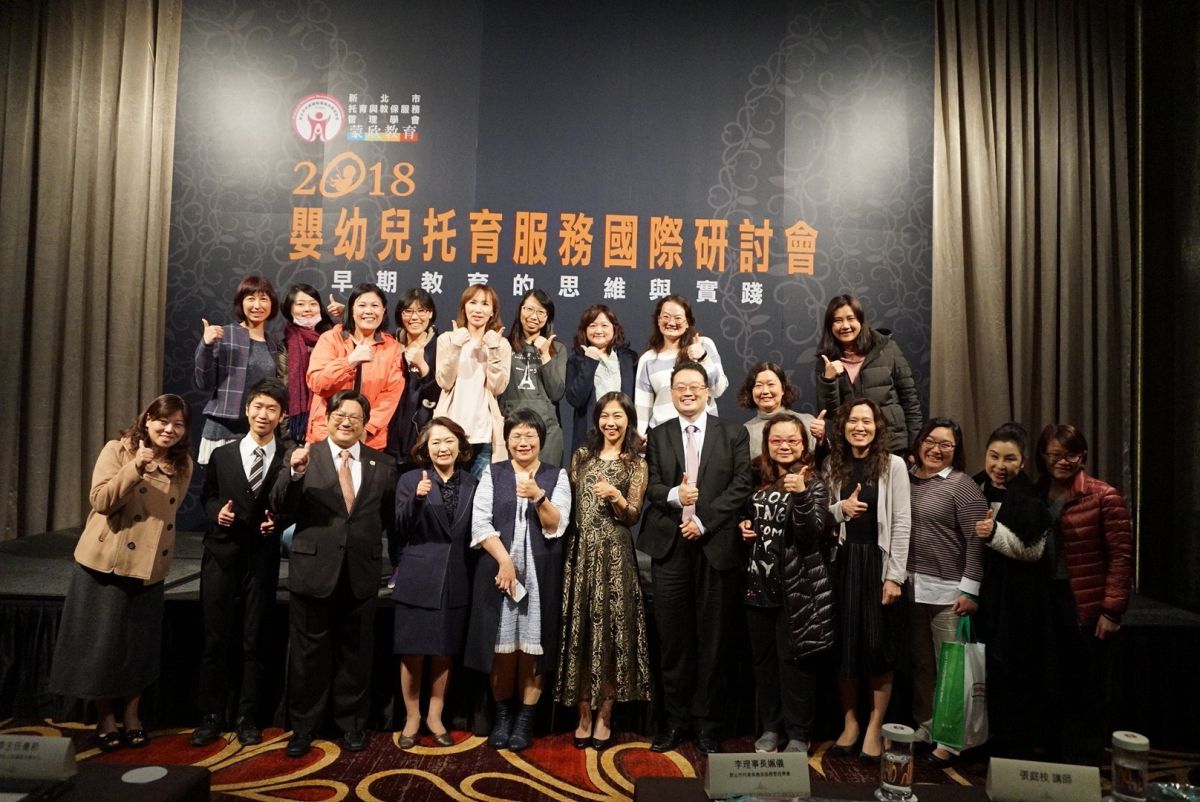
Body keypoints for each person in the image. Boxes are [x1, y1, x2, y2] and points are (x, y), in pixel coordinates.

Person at [49, 394, 193, 751]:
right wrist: (135, 469)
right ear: (147, 420)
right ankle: (105, 718)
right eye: (162, 421)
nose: (169, 429)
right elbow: (100, 501)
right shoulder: (118, 450)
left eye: (178, 424)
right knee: (103, 646)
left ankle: (132, 716)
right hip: (107, 562)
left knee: (138, 649)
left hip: (149, 568)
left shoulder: (183, 463)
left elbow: (169, 512)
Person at [271, 390, 398, 758]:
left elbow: (387, 518)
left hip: (360, 572)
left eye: (355, 417)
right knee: (307, 656)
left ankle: (352, 724)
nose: (346, 422)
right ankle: (303, 727)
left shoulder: (383, 464)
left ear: (365, 425)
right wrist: (294, 474)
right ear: (326, 419)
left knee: (356, 654)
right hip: (313, 571)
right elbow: (280, 507)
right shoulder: (303, 457)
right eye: (340, 415)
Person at [641, 361, 751, 754]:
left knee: (713, 641)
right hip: (670, 548)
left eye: (694, 386)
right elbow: (652, 486)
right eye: (680, 387)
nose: (687, 392)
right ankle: (675, 721)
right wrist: (675, 495)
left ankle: (708, 725)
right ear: (671, 393)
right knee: (673, 640)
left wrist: (703, 521)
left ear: (707, 391)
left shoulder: (733, 433)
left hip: (715, 545)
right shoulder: (659, 434)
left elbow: (741, 485)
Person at [465, 409, 571, 752]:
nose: (523, 442)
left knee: (532, 649)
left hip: (540, 575)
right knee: (501, 648)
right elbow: (480, 523)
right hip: (500, 573)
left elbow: (557, 525)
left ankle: (525, 719)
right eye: (516, 436)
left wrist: (539, 496)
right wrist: (505, 561)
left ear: (541, 440)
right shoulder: (493, 473)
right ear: (507, 440)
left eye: (530, 436)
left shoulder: (556, 475)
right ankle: (503, 717)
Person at [191, 379, 289, 748]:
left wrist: (279, 522)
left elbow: (295, 505)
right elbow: (208, 497)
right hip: (221, 555)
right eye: (258, 407)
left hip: (261, 560)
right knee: (215, 639)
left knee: (254, 640)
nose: (264, 415)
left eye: (272, 409)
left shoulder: (288, 459)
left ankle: (248, 717)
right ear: (247, 409)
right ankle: (211, 715)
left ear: (282, 416)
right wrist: (218, 512)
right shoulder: (223, 454)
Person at [555, 392, 652, 750]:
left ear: (628, 421)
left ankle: (605, 715)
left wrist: (616, 496)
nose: (611, 423)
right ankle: (583, 714)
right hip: (580, 552)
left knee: (613, 634)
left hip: (616, 555)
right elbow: (569, 506)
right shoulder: (582, 456)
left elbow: (633, 515)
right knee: (581, 632)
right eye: (605, 416)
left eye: (618, 416)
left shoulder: (636, 463)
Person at [1035, 423, 1133, 764]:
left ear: (1083, 456)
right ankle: (1054, 756)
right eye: (1055, 454)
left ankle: (1084, 762)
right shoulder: (1035, 492)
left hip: (1085, 603)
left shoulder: (1103, 495)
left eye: (1071, 454)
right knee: (1052, 683)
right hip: (1046, 601)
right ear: (1043, 456)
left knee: (1088, 688)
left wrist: (1111, 610)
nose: (1063, 461)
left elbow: (1122, 557)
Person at [737, 413, 832, 754]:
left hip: (795, 588)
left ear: (804, 444)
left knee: (794, 664)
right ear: (766, 444)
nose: (784, 446)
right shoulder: (756, 475)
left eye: (792, 440)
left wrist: (803, 495)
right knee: (763, 664)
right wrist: (743, 523)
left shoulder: (814, 481)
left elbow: (812, 535)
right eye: (776, 440)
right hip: (757, 585)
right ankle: (770, 727)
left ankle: (799, 733)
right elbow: (745, 512)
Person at [823, 399, 910, 763]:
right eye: (853, 421)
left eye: (867, 421)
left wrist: (895, 577)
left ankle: (875, 725)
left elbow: (902, 522)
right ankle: (850, 722)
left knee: (877, 647)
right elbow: (823, 515)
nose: (860, 427)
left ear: (877, 427)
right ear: (843, 426)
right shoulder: (832, 464)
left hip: (878, 564)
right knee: (845, 646)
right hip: (842, 563)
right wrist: (840, 509)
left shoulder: (894, 465)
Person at [906, 417, 988, 766]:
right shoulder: (906, 479)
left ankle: (951, 738)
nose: (936, 449)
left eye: (945, 444)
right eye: (930, 441)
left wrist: (970, 590)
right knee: (922, 666)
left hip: (949, 593)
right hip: (911, 588)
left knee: (952, 668)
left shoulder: (962, 485)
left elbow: (977, 541)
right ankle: (927, 725)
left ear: (956, 450)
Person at [392, 417, 478, 749]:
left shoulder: (472, 482)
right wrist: (415, 499)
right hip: (418, 576)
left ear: (460, 446)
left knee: (444, 652)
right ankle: (412, 717)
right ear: (425, 449)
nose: (443, 448)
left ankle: (435, 716)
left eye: (449, 441)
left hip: (456, 577)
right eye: (436, 442)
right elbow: (399, 527)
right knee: (413, 652)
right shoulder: (411, 479)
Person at [972, 422, 1053, 758]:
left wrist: (993, 534)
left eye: (1009, 459)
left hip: (1016, 598)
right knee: (980, 668)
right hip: (979, 591)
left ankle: (1011, 743)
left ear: (1022, 462)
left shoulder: (1030, 498)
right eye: (994, 456)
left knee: (1012, 669)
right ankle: (979, 737)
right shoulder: (973, 486)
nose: (1000, 465)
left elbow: (1033, 551)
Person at [814, 294, 921, 455]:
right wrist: (828, 380)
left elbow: (910, 400)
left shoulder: (887, 348)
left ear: (861, 321)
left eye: (851, 318)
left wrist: (914, 447)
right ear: (830, 326)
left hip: (891, 444)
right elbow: (829, 414)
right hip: (850, 447)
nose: (845, 326)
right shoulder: (826, 360)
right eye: (838, 320)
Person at [306, 283, 405, 450]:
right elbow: (318, 384)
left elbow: (390, 395)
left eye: (375, 306)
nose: (369, 311)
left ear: (383, 310)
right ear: (351, 310)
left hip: (369, 438)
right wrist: (350, 361)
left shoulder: (391, 347)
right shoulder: (330, 339)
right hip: (326, 433)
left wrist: (367, 428)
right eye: (362, 305)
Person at [194, 275, 281, 464]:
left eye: (263, 299)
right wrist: (206, 345)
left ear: (272, 304)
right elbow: (204, 383)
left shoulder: (273, 343)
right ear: (240, 303)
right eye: (250, 298)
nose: (257, 305)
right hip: (223, 430)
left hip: (257, 431)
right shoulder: (225, 334)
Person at [434, 283, 513, 477]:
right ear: (464, 307)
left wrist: (493, 350)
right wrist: (455, 347)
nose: (478, 309)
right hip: (450, 431)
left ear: (493, 312)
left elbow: (497, 387)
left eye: (485, 304)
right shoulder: (447, 339)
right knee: (449, 489)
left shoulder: (501, 344)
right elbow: (444, 382)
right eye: (473, 302)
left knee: (482, 491)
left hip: (484, 433)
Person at [634, 295, 728, 435]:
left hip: (704, 433)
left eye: (678, 318)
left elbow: (718, 390)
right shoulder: (648, 359)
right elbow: (642, 408)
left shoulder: (704, 345)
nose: (671, 322)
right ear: (658, 320)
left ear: (688, 322)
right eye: (666, 317)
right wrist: (640, 437)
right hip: (664, 436)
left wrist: (703, 357)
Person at [499, 288, 567, 465]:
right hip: (512, 428)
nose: (533, 316)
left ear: (547, 317)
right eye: (529, 309)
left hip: (547, 430)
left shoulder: (557, 349)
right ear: (520, 310)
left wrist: (545, 356)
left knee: (547, 481)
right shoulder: (504, 345)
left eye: (541, 312)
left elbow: (556, 393)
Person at [564, 304, 637, 456]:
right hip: (590, 436)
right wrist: (590, 361)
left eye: (604, 325)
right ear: (584, 330)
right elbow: (575, 399)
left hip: (624, 435)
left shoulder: (628, 358)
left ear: (614, 329)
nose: (598, 331)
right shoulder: (576, 360)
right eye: (592, 325)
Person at [279, 284, 342, 443]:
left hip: (332, 417)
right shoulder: (285, 344)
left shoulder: (335, 337)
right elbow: (284, 385)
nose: (307, 309)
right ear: (289, 309)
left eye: (313, 304)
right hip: (295, 425)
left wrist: (345, 315)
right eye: (300, 304)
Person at [386, 287, 440, 471]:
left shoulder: (441, 346)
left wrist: (424, 369)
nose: (414, 317)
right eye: (408, 311)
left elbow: (440, 394)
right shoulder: (390, 344)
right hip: (388, 437)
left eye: (421, 311)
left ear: (430, 313)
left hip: (421, 437)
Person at [737, 361, 817, 459]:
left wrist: (821, 440)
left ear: (783, 389)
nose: (765, 391)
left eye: (771, 384)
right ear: (751, 391)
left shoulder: (807, 422)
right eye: (758, 385)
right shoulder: (745, 432)